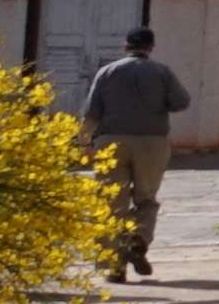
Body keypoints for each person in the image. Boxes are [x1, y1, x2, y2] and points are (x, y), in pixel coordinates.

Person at [79, 27, 184, 280]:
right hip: (152, 142)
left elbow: (92, 111)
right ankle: (138, 240)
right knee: (146, 199)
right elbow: (181, 102)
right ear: (150, 47)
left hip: (111, 141)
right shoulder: (162, 72)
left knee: (112, 202)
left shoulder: (107, 72)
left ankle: (114, 266)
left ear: (125, 46)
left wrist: (84, 141)